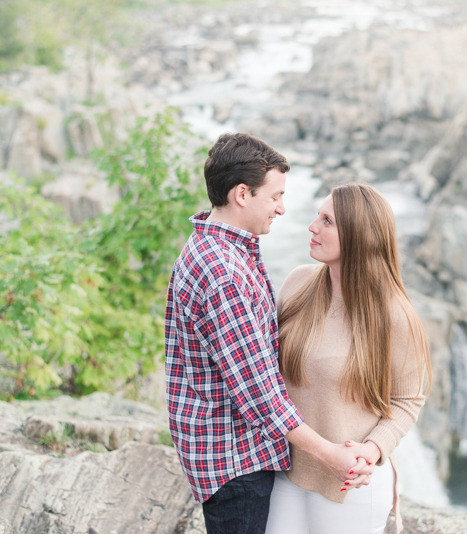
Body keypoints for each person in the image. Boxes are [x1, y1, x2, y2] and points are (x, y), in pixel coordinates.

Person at [164, 133, 375, 534]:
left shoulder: (217, 247)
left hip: (228, 455)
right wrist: (330, 455)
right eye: (275, 196)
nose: (282, 208)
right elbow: (259, 393)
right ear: (242, 194)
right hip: (235, 461)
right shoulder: (223, 273)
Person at [265, 183, 431, 534]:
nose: (312, 226)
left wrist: (371, 450)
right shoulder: (297, 285)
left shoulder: (394, 315)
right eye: (317, 217)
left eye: (327, 221)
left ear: (358, 236)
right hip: (287, 470)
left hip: (350, 483)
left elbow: (408, 400)